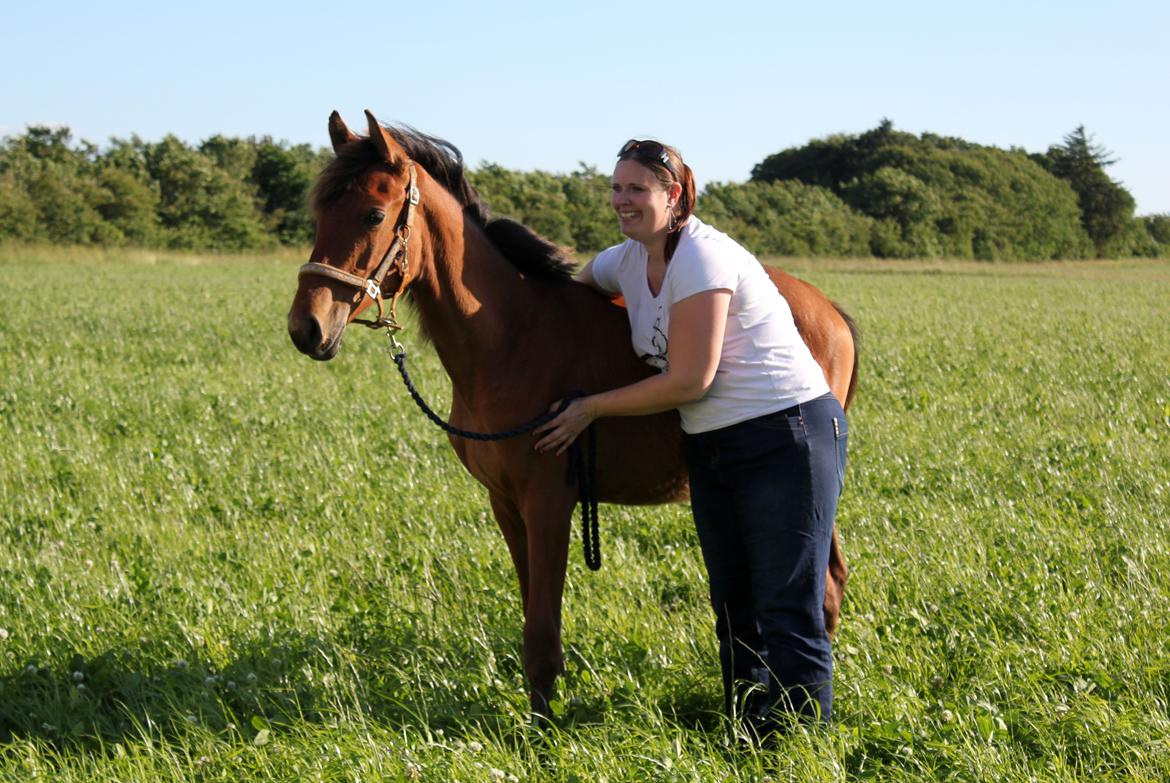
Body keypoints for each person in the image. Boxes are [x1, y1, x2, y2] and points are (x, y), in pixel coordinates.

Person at [533, 139, 848, 733]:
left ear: (672, 195)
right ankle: (749, 727)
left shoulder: (703, 258)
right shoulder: (625, 259)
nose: (621, 201)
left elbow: (689, 380)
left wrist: (591, 408)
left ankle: (801, 745)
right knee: (733, 602)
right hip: (714, 445)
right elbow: (572, 298)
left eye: (637, 190)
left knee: (785, 606)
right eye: (617, 188)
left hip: (787, 435)